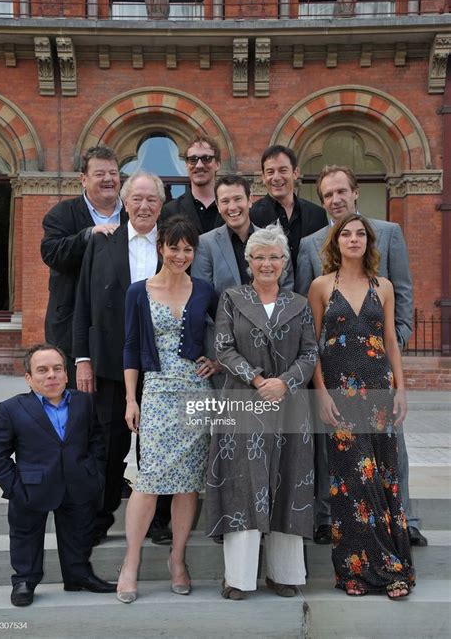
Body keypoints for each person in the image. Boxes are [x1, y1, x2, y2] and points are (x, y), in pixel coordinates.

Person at [296, 165, 426, 547]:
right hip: (335, 370)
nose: (335, 199)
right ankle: (326, 517)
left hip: (377, 367)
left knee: (390, 446)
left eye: (341, 191)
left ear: (355, 193)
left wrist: (387, 349)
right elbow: (309, 317)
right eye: (327, 195)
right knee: (332, 446)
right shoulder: (310, 245)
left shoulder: (387, 233)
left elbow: (402, 294)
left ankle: (404, 517)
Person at [205, 225, 317, 600]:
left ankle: (283, 574)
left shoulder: (299, 304)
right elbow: (222, 347)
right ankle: (237, 577)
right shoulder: (232, 299)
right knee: (243, 484)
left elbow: (310, 353)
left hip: (289, 403)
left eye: (274, 257)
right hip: (242, 400)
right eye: (260, 257)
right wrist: (257, 380)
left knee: (288, 481)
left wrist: (284, 382)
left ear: (284, 262)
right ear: (248, 261)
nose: (267, 263)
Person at [308, 213, 415, 599]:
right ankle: (355, 572)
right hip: (338, 396)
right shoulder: (321, 286)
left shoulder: (382, 286)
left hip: (379, 391)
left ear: (369, 243)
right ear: (336, 242)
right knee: (352, 483)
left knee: (383, 478)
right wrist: (319, 392)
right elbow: (313, 346)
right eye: (346, 234)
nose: (353, 240)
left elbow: (390, 340)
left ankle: (391, 567)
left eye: (360, 235)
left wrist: (401, 390)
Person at [116, 215, 218, 603]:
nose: (180, 254)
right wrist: (131, 398)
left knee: (188, 482)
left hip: (196, 391)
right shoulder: (138, 292)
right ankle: (131, 562)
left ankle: (178, 560)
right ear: (161, 247)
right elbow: (129, 347)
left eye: (187, 248)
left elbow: (223, 336)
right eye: (174, 247)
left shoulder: (206, 290)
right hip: (156, 392)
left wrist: (217, 363)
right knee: (148, 480)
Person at [73, 172, 168, 546]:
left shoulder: (173, 244)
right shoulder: (102, 244)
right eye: (137, 199)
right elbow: (83, 303)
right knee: (110, 444)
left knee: (157, 444)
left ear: (161, 205)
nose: (144, 206)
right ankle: (100, 516)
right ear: (125, 203)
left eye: (152, 200)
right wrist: (83, 359)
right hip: (111, 363)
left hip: (161, 366)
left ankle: (159, 520)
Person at [0, 344, 116, 607]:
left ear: (67, 375)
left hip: (78, 481)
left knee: (78, 532)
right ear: (29, 378)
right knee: (25, 534)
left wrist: (93, 474)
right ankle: (24, 580)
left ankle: (78, 575)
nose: (51, 375)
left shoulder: (84, 402)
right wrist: (13, 487)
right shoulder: (11, 409)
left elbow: (96, 441)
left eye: (58, 369)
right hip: (30, 486)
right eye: (42, 370)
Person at [41, 145, 126, 389]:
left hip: (120, 329)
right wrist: (89, 235)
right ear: (83, 179)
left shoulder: (133, 214)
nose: (108, 179)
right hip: (72, 331)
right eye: (100, 174)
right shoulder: (62, 214)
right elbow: (52, 253)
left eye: (113, 173)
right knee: (75, 407)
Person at [191, 174, 294, 294]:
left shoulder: (273, 240)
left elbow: (286, 286)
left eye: (238, 199)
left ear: (249, 201)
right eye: (225, 201)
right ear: (218, 207)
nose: (232, 207)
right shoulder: (205, 244)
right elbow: (202, 294)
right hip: (222, 313)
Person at [250, 145, 327, 274]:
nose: (276, 177)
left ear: (295, 173)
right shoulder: (252, 215)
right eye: (270, 172)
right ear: (263, 177)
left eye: (283, 170)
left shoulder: (317, 214)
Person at [160, 132, 223, 233]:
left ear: (218, 164)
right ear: (186, 165)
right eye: (193, 159)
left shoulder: (230, 207)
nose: (199, 165)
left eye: (206, 159)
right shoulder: (170, 211)